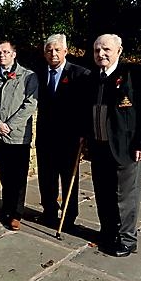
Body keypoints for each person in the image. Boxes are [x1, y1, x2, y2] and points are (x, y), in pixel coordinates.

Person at [87, 34, 141, 257]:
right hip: (99, 147)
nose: (101, 54)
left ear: (119, 50)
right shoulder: (93, 77)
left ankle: (127, 239)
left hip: (126, 148)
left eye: (106, 49)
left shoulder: (135, 74)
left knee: (125, 197)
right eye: (97, 50)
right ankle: (108, 232)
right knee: (103, 193)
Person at [35, 34, 91, 230]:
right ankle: (49, 212)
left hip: (69, 139)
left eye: (57, 49)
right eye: (49, 50)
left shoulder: (80, 74)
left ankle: (69, 216)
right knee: (46, 178)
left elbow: (86, 108)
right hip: (45, 137)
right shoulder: (38, 75)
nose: (53, 53)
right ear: (44, 53)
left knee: (69, 179)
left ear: (66, 51)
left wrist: (84, 133)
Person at [0, 41, 38, 231]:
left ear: (14, 54)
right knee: (5, 175)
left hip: (18, 136)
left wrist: (9, 125)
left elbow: (30, 105)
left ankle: (16, 213)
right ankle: (6, 208)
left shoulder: (28, 76)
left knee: (18, 177)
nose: (2, 55)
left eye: (6, 52)